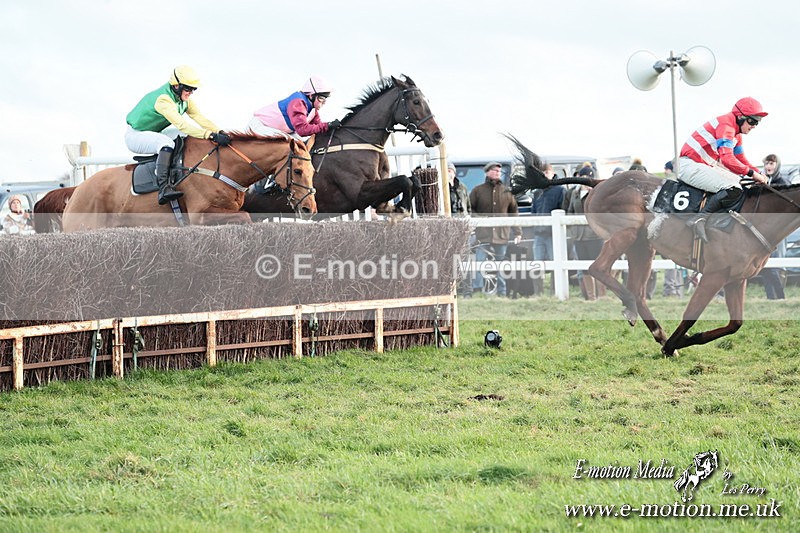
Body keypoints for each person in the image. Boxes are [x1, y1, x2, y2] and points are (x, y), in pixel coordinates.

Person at [126, 65, 230, 205]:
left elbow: (199, 118)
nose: (190, 93)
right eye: (187, 88)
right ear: (176, 86)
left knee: (185, 137)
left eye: (193, 89)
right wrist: (210, 136)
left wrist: (219, 131)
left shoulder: (184, 100)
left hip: (153, 132)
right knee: (167, 143)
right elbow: (183, 125)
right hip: (136, 135)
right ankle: (163, 187)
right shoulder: (164, 100)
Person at [678, 97, 769, 242]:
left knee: (743, 184)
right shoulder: (726, 126)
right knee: (734, 187)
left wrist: (758, 173)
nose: (754, 126)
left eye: (757, 122)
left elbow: (740, 159)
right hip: (690, 165)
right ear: (740, 117)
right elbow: (727, 159)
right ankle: (699, 219)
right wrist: (752, 173)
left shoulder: (737, 134)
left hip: (702, 165)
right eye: (752, 121)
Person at [250, 75, 339, 192]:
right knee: (287, 145)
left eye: (326, 99)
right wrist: (327, 125)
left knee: (300, 146)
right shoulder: (298, 101)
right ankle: (263, 184)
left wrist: (332, 128)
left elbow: (318, 128)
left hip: (278, 129)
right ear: (311, 95)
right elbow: (303, 130)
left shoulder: (313, 109)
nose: (324, 102)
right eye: (322, 98)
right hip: (260, 126)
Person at [469, 162, 522, 297]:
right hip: (483, 235)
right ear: (487, 172)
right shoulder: (477, 190)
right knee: (479, 264)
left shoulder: (507, 191)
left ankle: (502, 293)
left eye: (499, 171)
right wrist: (478, 222)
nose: (497, 172)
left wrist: (518, 232)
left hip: (501, 234)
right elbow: (471, 209)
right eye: (494, 170)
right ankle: (477, 291)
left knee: (500, 265)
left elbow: (514, 212)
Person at [566, 166, 606, 300]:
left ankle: (602, 295)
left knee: (598, 267)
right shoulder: (574, 193)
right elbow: (570, 211)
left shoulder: (598, 192)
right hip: (579, 236)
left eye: (588, 177)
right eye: (583, 177)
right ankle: (591, 297)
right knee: (584, 267)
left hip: (594, 235)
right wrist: (573, 229)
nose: (586, 180)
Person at [531, 163, 565, 293]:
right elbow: (534, 211)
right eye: (542, 173)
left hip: (553, 234)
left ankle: (555, 291)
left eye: (546, 173)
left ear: (552, 173)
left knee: (556, 263)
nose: (544, 175)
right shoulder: (537, 192)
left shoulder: (560, 190)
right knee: (537, 264)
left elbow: (562, 209)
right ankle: (538, 292)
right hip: (538, 234)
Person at [761, 153, 789, 300]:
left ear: (777, 165)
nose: (768, 166)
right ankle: (771, 297)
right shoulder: (764, 181)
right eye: (766, 164)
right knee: (765, 264)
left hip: (777, 230)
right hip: (765, 229)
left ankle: (780, 296)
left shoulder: (782, 182)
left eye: (771, 164)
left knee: (773, 265)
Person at [661, 160, 684, 297]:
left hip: (672, 228)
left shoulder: (670, 184)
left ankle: (672, 290)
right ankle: (674, 290)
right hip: (676, 227)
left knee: (673, 261)